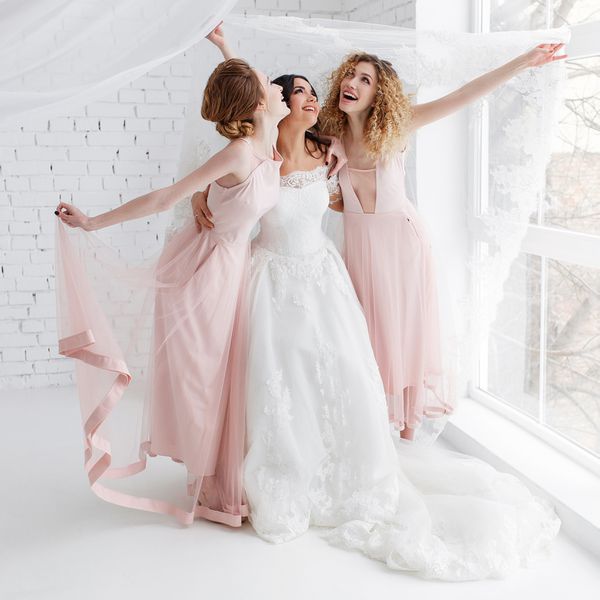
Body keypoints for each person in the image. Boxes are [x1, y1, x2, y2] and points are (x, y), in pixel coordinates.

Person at [55, 57, 289, 526]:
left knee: (232, 377)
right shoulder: (240, 152)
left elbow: (246, 90)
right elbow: (166, 197)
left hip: (236, 269)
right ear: (260, 102)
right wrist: (92, 222)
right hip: (204, 274)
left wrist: (225, 47)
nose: (282, 86)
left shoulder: (270, 148)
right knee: (205, 379)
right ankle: (214, 484)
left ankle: (226, 478)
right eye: (270, 83)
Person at [319, 44, 566, 439]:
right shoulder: (328, 136)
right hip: (359, 245)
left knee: (404, 330)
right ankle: (370, 419)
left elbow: (465, 94)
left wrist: (525, 61)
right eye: (350, 75)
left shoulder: (396, 128)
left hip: (402, 245)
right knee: (363, 331)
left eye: (364, 79)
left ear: (378, 94)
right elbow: (272, 136)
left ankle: (408, 429)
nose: (351, 82)